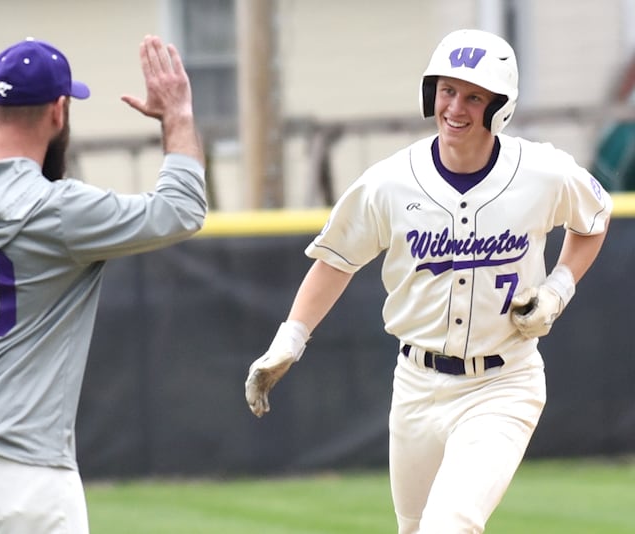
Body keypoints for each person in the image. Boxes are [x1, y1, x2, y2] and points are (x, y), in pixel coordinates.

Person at [245, 28, 611, 533]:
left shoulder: (542, 172)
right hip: (415, 385)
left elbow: (593, 218)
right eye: (447, 90)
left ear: (498, 106)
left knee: (450, 525)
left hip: (502, 383)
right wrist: (289, 339)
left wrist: (558, 289)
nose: (455, 107)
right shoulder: (390, 182)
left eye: (473, 96)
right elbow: (336, 260)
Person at [0, 35, 206, 533]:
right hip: (20, 465)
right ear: (59, 111)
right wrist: (177, 115)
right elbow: (181, 209)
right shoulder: (62, 210)